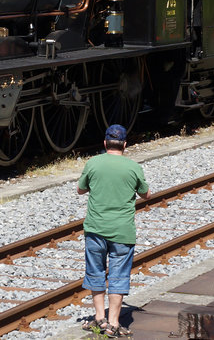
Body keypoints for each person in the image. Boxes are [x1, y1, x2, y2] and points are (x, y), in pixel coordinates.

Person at [77, 124, 149, 338]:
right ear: (125, 145)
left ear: (105, 143)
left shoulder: (93, 163)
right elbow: (146, 194)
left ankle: (99, 317)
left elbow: (81, 190)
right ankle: (113, 322)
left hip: (95, 230)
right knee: (119, 276)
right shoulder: (133, 167)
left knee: (95, 272)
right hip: (122, 232)